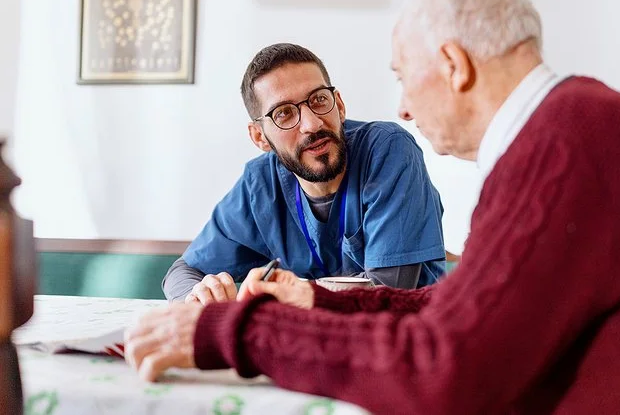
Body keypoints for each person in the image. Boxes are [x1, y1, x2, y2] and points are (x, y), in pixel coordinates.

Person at [128, 0, 620, 414]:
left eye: (405, 78)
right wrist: (313, 298)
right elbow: (457, 307)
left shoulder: (565, 148)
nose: (402, 109)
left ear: (455, 65)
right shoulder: (571, 129)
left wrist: (239, 331)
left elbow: (447, 371)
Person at [162, 43, 447, 303]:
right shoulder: (260, 184)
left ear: (340, 105)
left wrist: (283, 299)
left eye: (319, 100)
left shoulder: (388, 150)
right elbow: (184, 271)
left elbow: (388, 294)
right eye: (284, 113)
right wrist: (197, 296)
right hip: (310, 341)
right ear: (260, 137)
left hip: (404, 343)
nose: (311, 124)